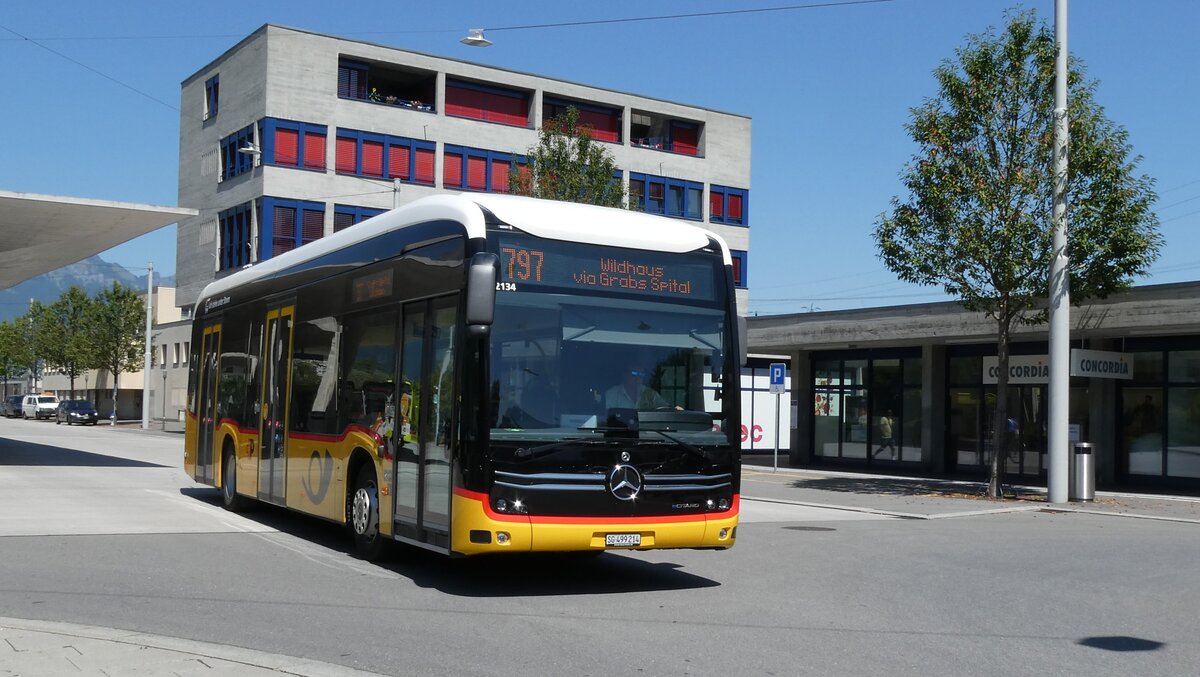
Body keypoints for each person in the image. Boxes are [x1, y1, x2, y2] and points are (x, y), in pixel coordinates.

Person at [605, 364, 672, 411]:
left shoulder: (650, 394)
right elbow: (607, 418)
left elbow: (665, 409)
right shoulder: (612, 394)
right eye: (634, 374)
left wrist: (674, 410)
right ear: (625, 375)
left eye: (641, 374)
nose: (638, 378)